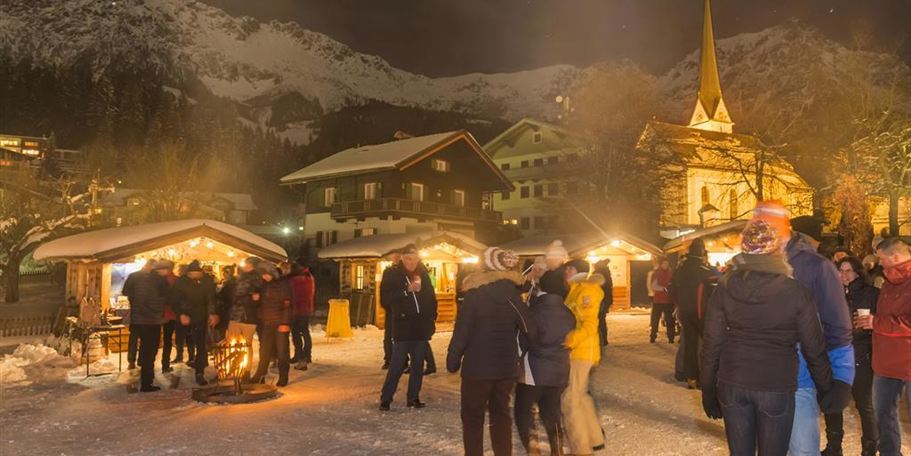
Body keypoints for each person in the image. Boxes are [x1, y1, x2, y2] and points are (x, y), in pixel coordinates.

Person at [701, 220, 836, 455]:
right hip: (775, 384)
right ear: (777, 251)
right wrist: (826, 388)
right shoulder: (795, 291)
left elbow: (712, 342)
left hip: (734, 381)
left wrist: (708, 389)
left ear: (744, 249)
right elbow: (814, 346)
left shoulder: (725, 287)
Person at [751, 201, 855, 455]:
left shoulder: (816, 267)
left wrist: (842, 377)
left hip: (798, 382)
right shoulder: (748, 267)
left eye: (765, 226)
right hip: (755, 382)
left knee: (801, 452)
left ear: (782, 228)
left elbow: (837, 326)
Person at [448, 247, 533, 456]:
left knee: (472, 416)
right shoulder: (513, 296)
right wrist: (518, 352)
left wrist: (453, 359)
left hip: (476, 370)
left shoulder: (474, 295)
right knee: (501, 415)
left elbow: (462, 331)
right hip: (505, 369)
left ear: (485, 267)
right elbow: (530, 329)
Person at [855, 238, 911, 456]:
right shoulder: (887, 281)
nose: (878, 263)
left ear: (894, 257)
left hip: (908, 362)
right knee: (883, 416)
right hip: (885, 364)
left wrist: (875, 322)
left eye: (881, 259)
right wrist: (870, 322)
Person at [821, 256, 879, 456]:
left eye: (848, 270)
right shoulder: (830, 294)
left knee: (865, 404)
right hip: (834, 355)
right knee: (833, 402)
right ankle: (833, 446)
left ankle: (870, 448)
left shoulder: (872, 294)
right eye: (840, 270)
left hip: (861, 355)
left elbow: (878, 323)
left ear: (857, 273)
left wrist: (870, 325)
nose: (844, 275)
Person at [515, 269, 575, 455]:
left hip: (534, 370)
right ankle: (557, 450)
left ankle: (533, 448)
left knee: (523, 411)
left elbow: (523, 340)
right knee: (551, 412)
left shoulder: (534, 311)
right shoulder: (568, 313)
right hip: (559, 372)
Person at [379, 245, 437, 411]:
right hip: (403, 326)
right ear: (402, 258)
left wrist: (432, 319)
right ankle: (386, 398)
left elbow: (431, 299)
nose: (412, 262)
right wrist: (406, 290)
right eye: (409, 258)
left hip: (420, 326)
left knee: (418, 366)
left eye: (415, 258)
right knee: (397, 365)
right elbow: (385, 299)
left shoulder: (424, 274)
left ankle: (413, 397)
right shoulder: (392, 274)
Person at [562, 258, 606, 455]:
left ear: (577, 270)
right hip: (579, 351)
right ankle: (595, 438)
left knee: (570, 400)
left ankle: (581, 449)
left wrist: (570, 339)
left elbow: (589, 324)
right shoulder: (575, 289)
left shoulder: (585, 291)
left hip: (582, 351)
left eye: (569, 268)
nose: (566, 272)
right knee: (580, 396)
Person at [669, 239, 716, 389]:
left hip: (685, 312)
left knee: (689, 344)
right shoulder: (704, 270)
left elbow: (671, 288)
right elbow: (714, 289)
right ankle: (704, 378)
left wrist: (679, 304)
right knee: (706, 345)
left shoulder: (680, 269)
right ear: (701, 251)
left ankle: (690, 377)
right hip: (701, 312)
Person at [127, 260, 172, 392]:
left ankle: (148, 378)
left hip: (147, 320)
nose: (168, 272)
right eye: (167, 269)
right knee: (149, 350)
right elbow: (143, 302)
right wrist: (157, 315)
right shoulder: (151, 282)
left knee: (149, 350)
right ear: (161, 270)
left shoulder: (155, 281)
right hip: (148, 321)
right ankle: (146, 383)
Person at [174, 260, 218, 386]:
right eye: (194, 273)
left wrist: (212, 313)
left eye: (199, 273)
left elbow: (211, 298)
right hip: (185, 316)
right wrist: (181, 313)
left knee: (201, 343)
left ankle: (200, 371)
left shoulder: (206, 281)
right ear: (189, 273)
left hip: (201, 317)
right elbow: (175, 300)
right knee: (185, 341)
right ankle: (189, 359)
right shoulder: (181, 283)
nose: (198, 276)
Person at [250, 261, 293, 387]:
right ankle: (260, 374)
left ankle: (283, 376)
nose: (264, 277)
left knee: (282, 351)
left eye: (266, 274)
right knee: (265, 350)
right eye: (262, 275)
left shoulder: (283, 284)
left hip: (280, 322)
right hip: (267, 322)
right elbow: (261, 304)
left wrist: (285, 322)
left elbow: (287, 304)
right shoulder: (263, 285)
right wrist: (256, 300)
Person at [122, 260, 153, 370]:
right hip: (143, 312)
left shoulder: (134, 276)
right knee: (140, 337)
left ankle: (134, 360)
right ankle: (136, 361)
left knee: (136, 337)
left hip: (141, 312)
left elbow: (125, 291)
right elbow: (125, 292)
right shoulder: (140, 277)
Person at [288, 262, 315, 370]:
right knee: (305, 332)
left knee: (296, 334)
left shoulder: (297, 279)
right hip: (306, 309)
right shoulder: (309, 276)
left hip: (298, 310)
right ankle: (306, 355)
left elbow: (294, 294)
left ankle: (301, 356)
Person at [380, 252, 401, 370]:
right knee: (389, 336)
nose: (396, 258)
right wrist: (386, 304)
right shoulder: (388, 272)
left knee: (401, 336)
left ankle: (402, 360)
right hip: (391, 309)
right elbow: (383, 291)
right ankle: (389, 359)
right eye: (395, 256)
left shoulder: (406, 272)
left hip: (404, 310)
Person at [171, 263, 195, 365]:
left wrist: (178, 311)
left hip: (181, 313)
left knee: (180, 337)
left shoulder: (179, 282)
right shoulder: (194, 283)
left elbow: (174, 299)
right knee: (190, 337)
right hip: (192, 313)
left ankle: (180, 356)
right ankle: (191, 357)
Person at [649, 257, 676, 344]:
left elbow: (673, 284)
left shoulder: (671, 273)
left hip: (668, 300)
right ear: (661, 264)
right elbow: (653, 286)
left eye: (667, 264)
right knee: (655, 320)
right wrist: (664, 289)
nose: (666, 265)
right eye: (664, 264)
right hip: (658, 300)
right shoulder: (656, 273)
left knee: (670, 320)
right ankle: (653, 336)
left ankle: (671, 337)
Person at [160, 263, 178, 374]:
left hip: (162, 314)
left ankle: (164, 364)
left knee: (165, 340)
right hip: (174, 314)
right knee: (169, 340)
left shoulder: (159, 280)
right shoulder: (176, 280)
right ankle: (165, 364)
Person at [593, 259, 613, 347]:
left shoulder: (598, 274)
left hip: (600, 299)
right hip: (606, 299)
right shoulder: (607, 273)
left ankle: (601, 339)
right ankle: (604, 339)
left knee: (599, 319)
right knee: (602, 319)